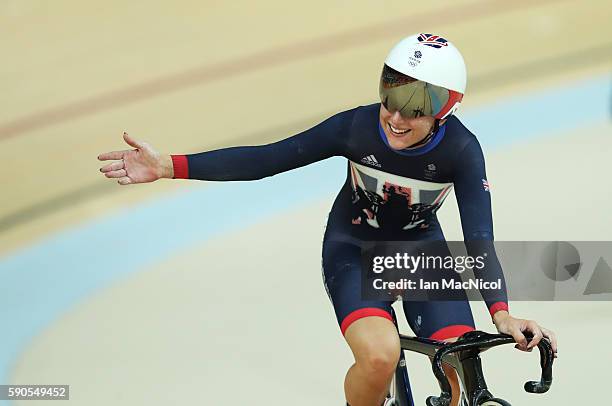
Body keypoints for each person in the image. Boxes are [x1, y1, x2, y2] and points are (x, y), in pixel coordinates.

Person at [98, 33, 558, 406]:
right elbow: (267, 159)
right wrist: (167, 166)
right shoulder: (355, 127)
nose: (395, 116)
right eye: (390, 95)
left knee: (462, 364)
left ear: (446, 108)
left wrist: (501, 314)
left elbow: (480, 239)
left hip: (420, 256)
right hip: (353, 251)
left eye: (415, 107)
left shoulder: (462, 150)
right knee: (380, 358)